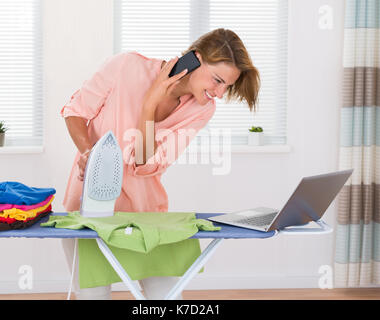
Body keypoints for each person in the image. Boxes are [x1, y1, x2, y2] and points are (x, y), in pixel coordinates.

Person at [60, 28, 260, 300]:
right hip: (90, 210)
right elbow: (76, 110)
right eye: (217, 80)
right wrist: (87, 153)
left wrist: (150, 104)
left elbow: (144, 163)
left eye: (227, 86)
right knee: (92, 297)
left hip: (145, 215)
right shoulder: (126, 66)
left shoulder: (201, 109)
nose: (220, 93)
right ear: (196, 59)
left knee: (166, 300)